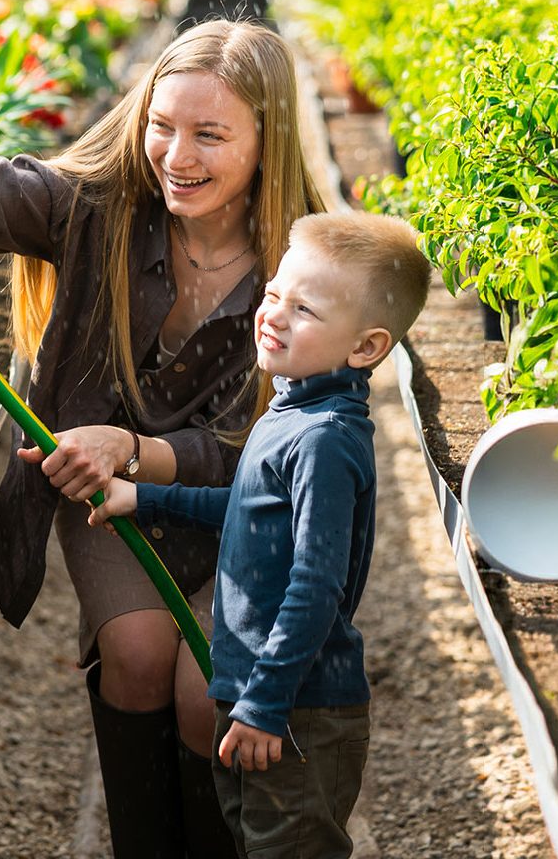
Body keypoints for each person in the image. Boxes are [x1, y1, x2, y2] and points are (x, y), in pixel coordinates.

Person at [0, 19, 324, 859]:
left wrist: (132, 447)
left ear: (271, 140)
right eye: (162, 125)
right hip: (108, 503)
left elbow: (279, 443)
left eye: (210, 135)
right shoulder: (98, 209)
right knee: (141, 652)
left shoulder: (307, 268)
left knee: (208, 693)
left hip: (247, 508)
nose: (176, 155)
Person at [90, 211, 430, 859]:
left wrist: (265, 705)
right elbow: (248, 511)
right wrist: (144, 497)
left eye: (303, 309)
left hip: (296, 708)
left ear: (365, 348)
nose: (273, 313)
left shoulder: (325, 440)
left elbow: (315, 586)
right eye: (273, 293)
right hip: (255, 694)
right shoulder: (293, 406)